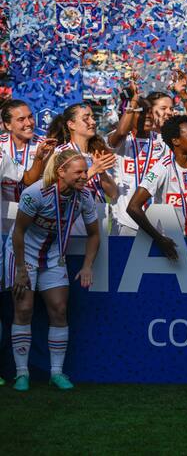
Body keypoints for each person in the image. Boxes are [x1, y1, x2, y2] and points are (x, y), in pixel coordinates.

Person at [6, 149, 100, 391]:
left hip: (54, 256)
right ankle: (21, 373)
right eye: (78, 172)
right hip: (23, 253)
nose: (84, 176)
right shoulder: (35, 193)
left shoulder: (85, 198)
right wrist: (19, 269)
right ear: (61, 172)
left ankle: (56, 373)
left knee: (59, 309)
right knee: (24, 308)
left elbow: (94, 234)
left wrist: (88, 265)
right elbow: (18, 232)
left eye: (85, 171)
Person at [127, 115, 187, 260]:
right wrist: (159, 239)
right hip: (169, 244)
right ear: (175, 141)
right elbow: (133, 207)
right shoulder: (161, 168)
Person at [107, 80, 173, 235]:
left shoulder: (162, 141)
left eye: (150, 112)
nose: (148, 116)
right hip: (125, 221)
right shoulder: (121, 141)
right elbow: (122, 132)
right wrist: (134, 100)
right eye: (142, 112)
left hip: (157, 222)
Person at [50, 103, 118, 206]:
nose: (93, 122)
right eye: (86, 119)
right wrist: (94, 170)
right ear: (71, 124)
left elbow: (113, 194)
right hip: (73, 217)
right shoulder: (61, 153)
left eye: (93, 117)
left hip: (98, 217)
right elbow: (59, 190)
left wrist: (102, 173)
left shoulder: (96, 153)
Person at [0, 99, 56, 202]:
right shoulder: (1, 145)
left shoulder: (45, 145)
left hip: (35, 213)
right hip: (4, 213)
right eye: (21, 119)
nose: (29, 123)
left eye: (30, 117)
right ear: (8, 125)